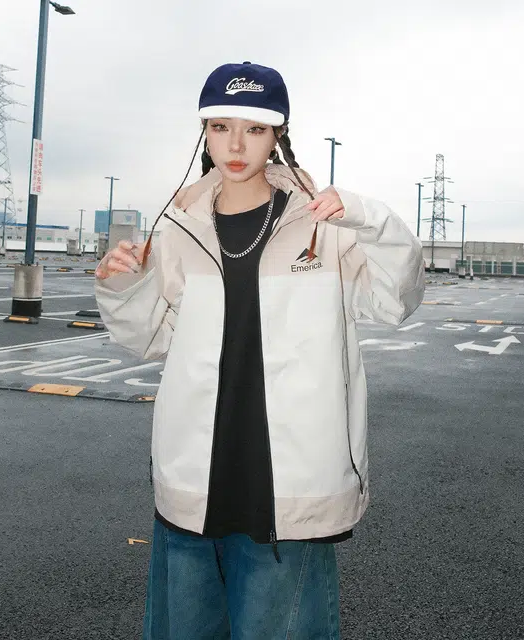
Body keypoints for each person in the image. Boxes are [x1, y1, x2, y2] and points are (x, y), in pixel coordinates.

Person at [95, 61, 425, 640]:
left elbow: (397, 300)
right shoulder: (178, 228)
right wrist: (121, 285)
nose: (235, 145)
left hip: (293, 484)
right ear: (204, 134)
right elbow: (146, 337)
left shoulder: (325, 225)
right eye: (220, 127)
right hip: (194, 477)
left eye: (254, 129)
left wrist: (370, 218)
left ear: (278, 135)